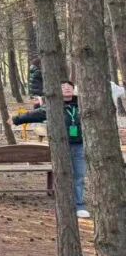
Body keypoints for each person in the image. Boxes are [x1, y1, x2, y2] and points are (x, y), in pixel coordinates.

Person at [12, 80, 89, 219]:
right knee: (63, 175)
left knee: (79, 176)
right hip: (61, 146)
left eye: (69, 87)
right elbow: (35, 114)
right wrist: (16, 119)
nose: (67, 89)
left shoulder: (82, 104)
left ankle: (79, 205)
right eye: (63, 87)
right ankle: (64, 204)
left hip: (79, 145)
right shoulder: (53, 104)